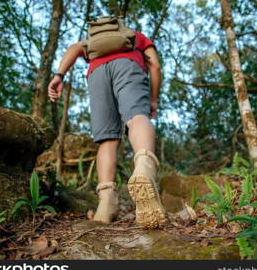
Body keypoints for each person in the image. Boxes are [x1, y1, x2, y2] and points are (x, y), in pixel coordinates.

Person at [47, 27, 167, 229]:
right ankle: (144, 169)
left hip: (97, 73)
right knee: (137, 117)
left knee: (107, 139)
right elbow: (154, 66)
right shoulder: (136, 37)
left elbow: (74, 48)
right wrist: (153, 99)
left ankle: (106, 204)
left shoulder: (93, 41)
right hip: (129, 66)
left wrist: (59, 75)